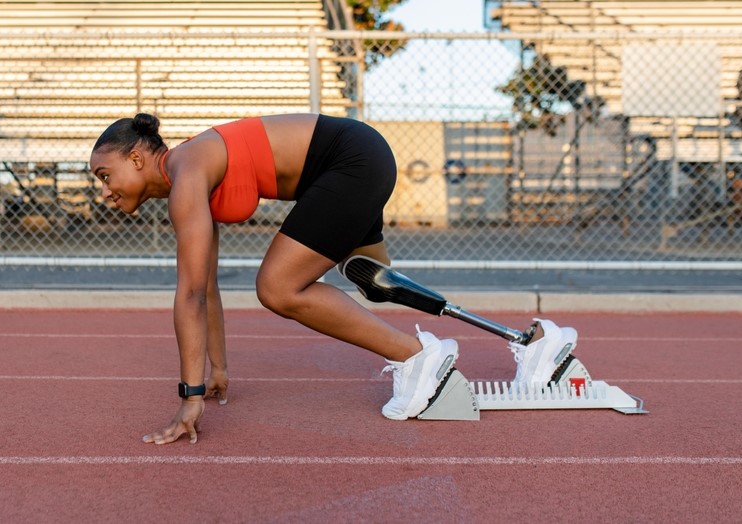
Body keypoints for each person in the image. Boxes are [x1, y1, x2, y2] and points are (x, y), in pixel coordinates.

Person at [89, 113, 577, 445]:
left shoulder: (187, 168)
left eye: (104, 175)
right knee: (375, 282)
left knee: (277, 288)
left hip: (349, 161)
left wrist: (189, 398)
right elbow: (207, 285)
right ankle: (537, 345)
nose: (105, 193)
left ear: (136, 158)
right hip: (350, 160)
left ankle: (419, 359)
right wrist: (216, 368)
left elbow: (191, 294)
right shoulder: (190, 173)